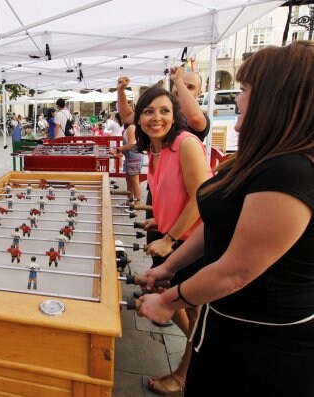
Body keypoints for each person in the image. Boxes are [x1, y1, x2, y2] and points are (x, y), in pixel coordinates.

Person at [138, 42, 314, 397]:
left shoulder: (290, 171)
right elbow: (216, 222)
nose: (238, 97)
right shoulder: (260, 157)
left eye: (246, 89)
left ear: (272, 97)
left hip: (263, 342)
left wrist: (169, 300)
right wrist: (167, 267)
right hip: (226, 324)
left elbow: (236, 271)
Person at [133, 86, 212, 395]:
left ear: (176, 115)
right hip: (169, 237)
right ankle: (194, 353)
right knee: (174, 301)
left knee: (196, 314)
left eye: (165, 111)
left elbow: (201, 198)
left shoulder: (185, 143)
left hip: (191, 245)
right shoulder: (154, 150)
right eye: (149, 111)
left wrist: (169, 236)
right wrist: (158, 216)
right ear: (139, 117)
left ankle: (184, 374)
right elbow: (173, 194)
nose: (157, 118)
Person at [110, 118, 143, 207]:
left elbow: (131, 144)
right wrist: (119, 152)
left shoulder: (132, 127)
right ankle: (129, 201)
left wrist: (119, 149)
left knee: (135, 182)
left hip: (134, 158)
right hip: (130, 157)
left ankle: (137, 204)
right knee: (129, 181)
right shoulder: (129, 128)